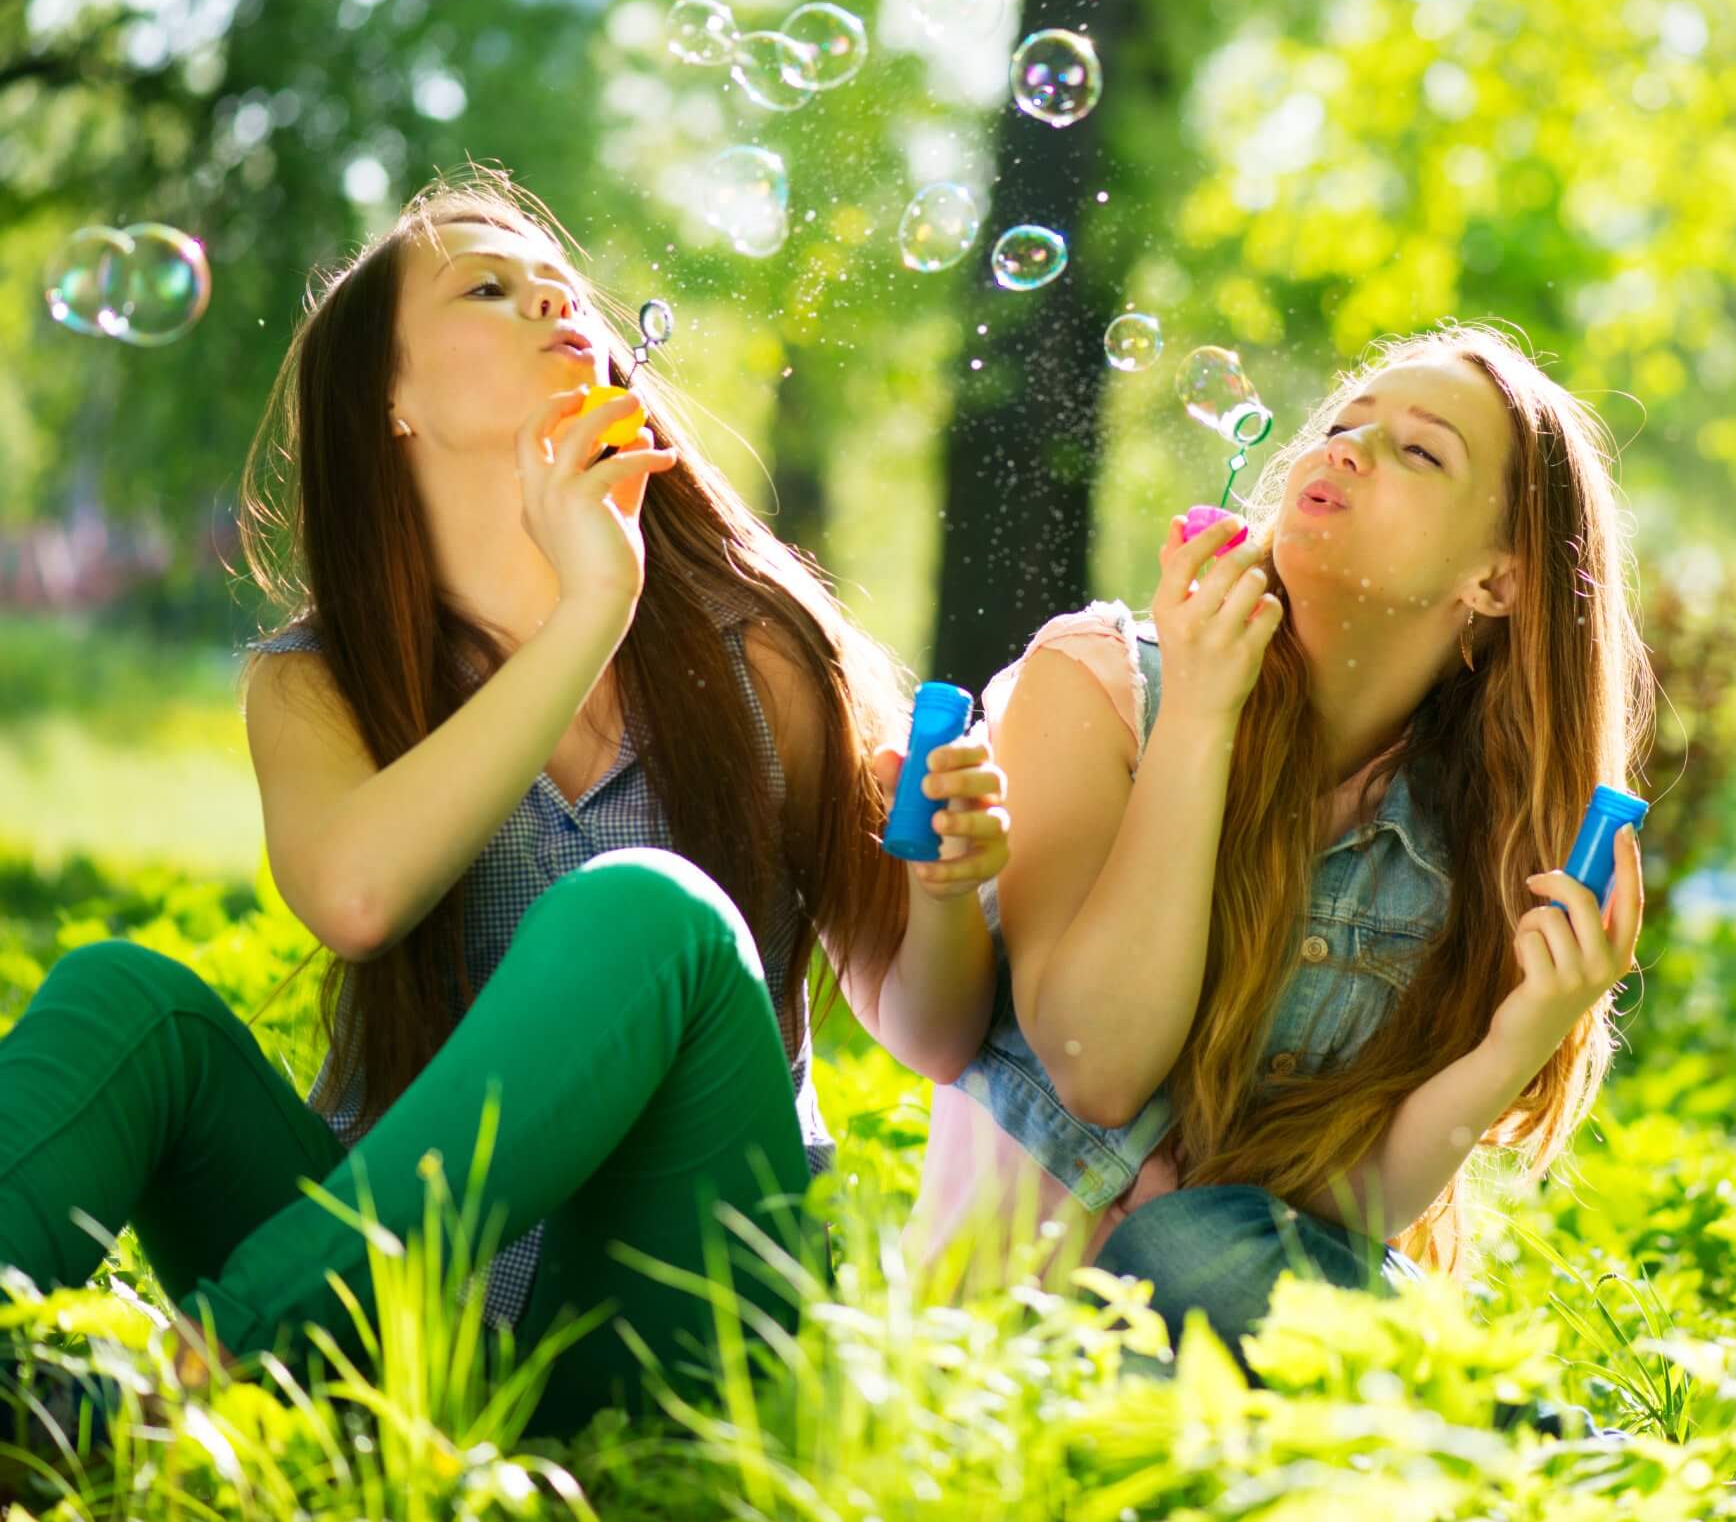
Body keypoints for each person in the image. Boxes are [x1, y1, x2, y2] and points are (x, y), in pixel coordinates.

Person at [0, 169, 1010, 1430]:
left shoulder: (757, 661)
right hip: (379, 1324)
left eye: (559, 286)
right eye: (490, 287)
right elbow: (358, 897)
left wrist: (950, 891)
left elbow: (930, 1027)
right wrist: (589, 609)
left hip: (661, 1313)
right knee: (120, 999)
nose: (552, 300)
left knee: (650, 912)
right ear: (391, 401)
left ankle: (185, 1377)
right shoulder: (318, 686)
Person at [912, 322, 1653, 1360]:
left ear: (1496, 580)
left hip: (1237, 1377)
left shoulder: (1465, 848)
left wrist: (1522, 1033)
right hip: (1018, 1363)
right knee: (1192, 1244)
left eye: (1418, 450)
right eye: (1346, 422)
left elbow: (1332, 1216)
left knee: (1215, 1241)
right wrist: (1203, 716)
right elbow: (1098, 1067)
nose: (1345, 448)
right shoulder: (1104, 684)